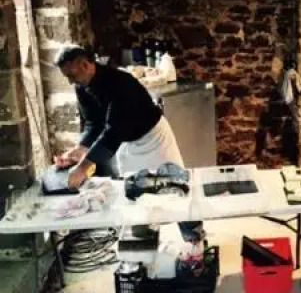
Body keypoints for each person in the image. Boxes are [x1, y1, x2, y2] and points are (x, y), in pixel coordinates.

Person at [53, 45, 205, 246]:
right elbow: (93, 123)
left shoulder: (120, 83)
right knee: (134, 195)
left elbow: (112, 132)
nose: (71, 81)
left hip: (154, 138)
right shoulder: (81, 86)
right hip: (128, 143)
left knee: (177, 188)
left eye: (72, 75)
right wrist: (80, 148)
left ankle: (194, 241)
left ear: (85, 65)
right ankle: (143, 245)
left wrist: (83, 167)